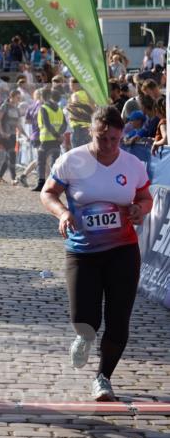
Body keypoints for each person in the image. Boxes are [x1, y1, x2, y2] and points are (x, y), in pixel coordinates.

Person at [40, 105, 153, 401]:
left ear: (122, 135)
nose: (108, 145)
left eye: (114, 139)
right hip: (82, 251)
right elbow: (48, 192)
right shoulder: (72, 160)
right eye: (102, 138)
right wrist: (63, 213)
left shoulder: (132, 165)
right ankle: (84, 336)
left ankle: (103, 377)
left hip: (123, 251)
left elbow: (145, 197)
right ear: (91, 131)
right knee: (83, 317)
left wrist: (140, 209)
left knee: (119, 319)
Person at [32, 86, 66, 191]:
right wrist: (59, 135)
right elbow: (64, 124)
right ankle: (54, 184)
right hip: (57, 141)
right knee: (54, 163)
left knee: (41, 162)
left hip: (46, 140)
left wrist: (56, 135)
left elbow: (47, 124)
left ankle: (41, 183)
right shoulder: (60, 109)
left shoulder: (43, 108)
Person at [66, 78, 94, 149]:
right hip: (88, 127)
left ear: (74, 85)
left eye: (70, 85)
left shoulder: (75, 95)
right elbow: (93, 109)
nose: (70, 87)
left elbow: (75, 107)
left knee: (76, 152)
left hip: (78, 127)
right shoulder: (88, 94)